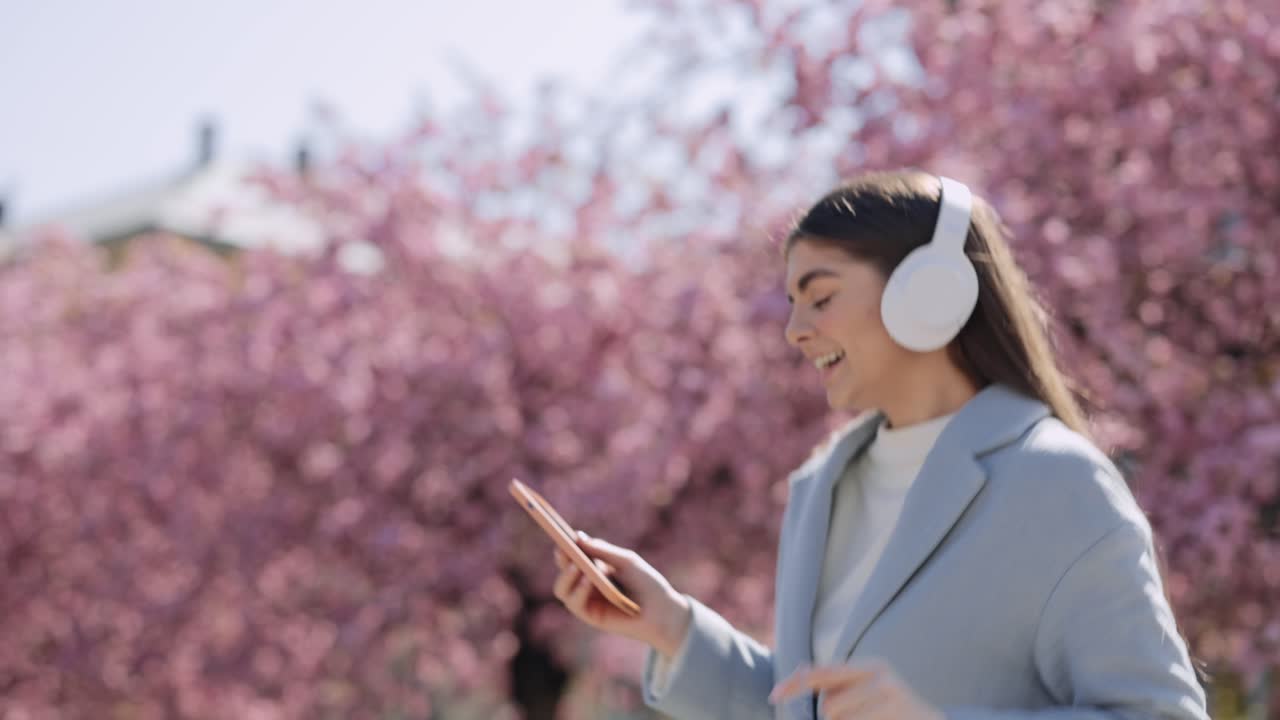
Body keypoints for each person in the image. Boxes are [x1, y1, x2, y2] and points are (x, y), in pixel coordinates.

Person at [550, 170, 1208, 719]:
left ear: (931, 294)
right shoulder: (822, 486)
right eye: (791, 302)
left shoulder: (1055, 482)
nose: (794, 331)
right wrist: (674, 630)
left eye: (820, 297)